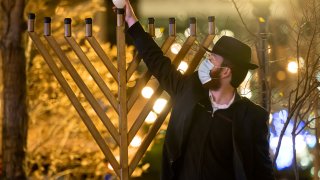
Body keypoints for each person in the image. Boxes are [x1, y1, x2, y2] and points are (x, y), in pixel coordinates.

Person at [123, 0, 275, 179]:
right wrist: (131, 21)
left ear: (225, 72)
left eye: (211, 60)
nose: (204, 63)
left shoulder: (251, 117)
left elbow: (262, 173)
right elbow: (157, 62)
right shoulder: (188, 91)